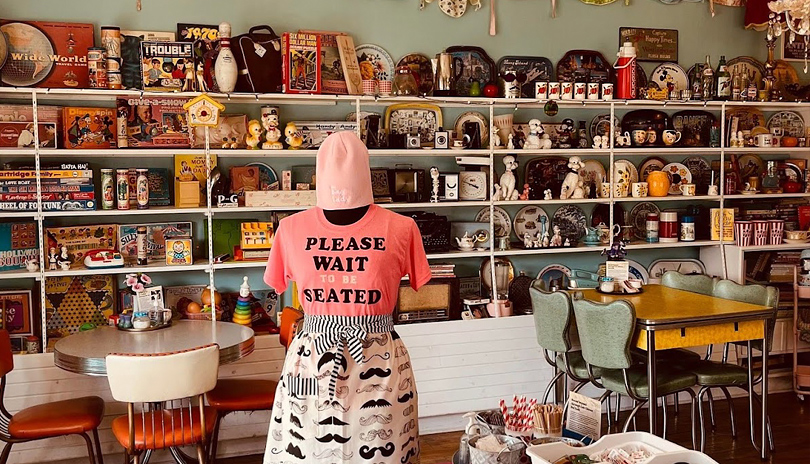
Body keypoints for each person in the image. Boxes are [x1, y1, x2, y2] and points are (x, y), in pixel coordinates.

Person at [263, 132, 429, 464]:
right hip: (313, 359)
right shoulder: (289, 230)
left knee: (383, 452)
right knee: (308, 450)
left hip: (378, 360)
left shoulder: (402, 228)